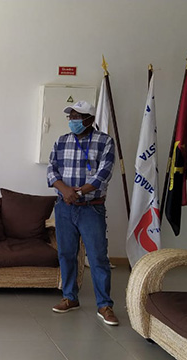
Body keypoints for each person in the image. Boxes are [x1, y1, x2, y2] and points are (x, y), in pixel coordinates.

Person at [46, 100, 118, 326]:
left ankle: (104, 305)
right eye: (71, 117)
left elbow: (104, 172)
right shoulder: (61, 141)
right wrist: (65, 191)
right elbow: (51, 169)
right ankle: (69, 297)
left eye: (77, 117)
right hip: (65, 207)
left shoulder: (105, 141)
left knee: (97, 257)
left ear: (90, 119)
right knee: (66, 254)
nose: (73, 121)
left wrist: (81, 191)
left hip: (91, 207)